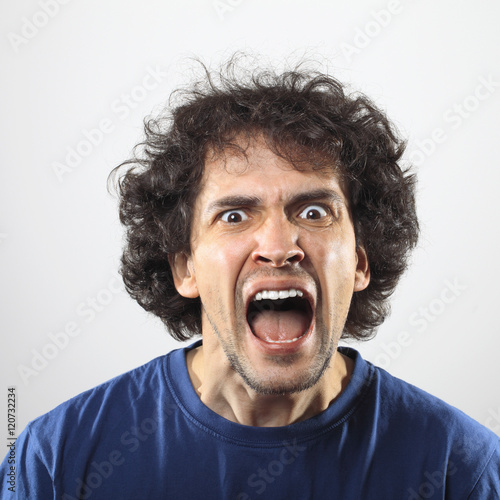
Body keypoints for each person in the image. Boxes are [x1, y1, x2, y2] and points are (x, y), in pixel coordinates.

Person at [2, 59, 499, 500]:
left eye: (313, 210)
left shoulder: (464, 469)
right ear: (185, 268)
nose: (280, 247)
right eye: (235, 216)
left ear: (362, 263)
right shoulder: (53, 461)